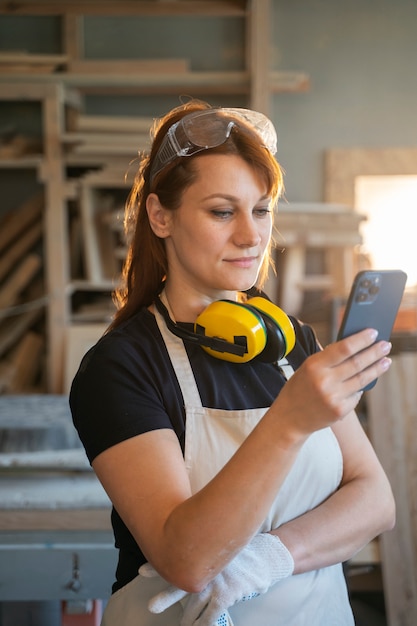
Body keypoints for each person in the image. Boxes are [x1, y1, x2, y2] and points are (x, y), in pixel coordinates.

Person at [70, 99, 395, 626]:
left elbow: (376, 500)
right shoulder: (121, 368)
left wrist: (265, 561)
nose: (251, 235)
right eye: (223, 211)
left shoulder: (293, 346)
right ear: (160, 216)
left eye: (261, 209)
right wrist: (289, 422)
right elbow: (186, 558)